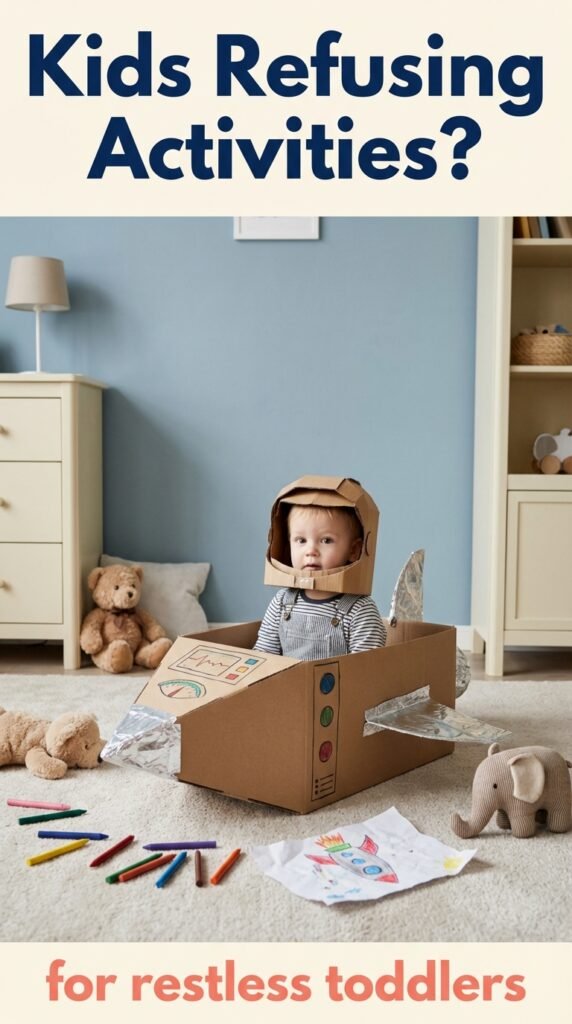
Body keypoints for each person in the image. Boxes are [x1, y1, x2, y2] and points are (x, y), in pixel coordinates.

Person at [255, 503, 386, 659]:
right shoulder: (282, 602)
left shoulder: (360, 610)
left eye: (326, 540)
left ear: (354, 550)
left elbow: (365, 669)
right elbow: (263, 656)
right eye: (301, 540)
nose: (311, 551)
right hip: (289, 683)